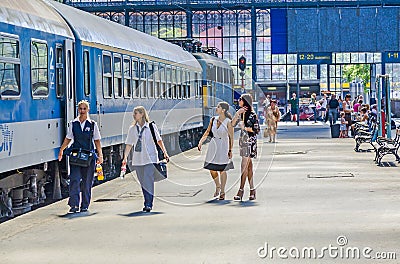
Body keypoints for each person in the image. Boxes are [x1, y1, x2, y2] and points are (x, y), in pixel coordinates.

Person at [58, 100, 103, 213]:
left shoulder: (92, 124)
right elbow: (68, 138)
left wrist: (100, 155)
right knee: (75, 180)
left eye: (84, 109)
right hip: (76, 157)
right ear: (77, 110)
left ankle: (85, 205)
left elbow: (97, 141)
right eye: (80, 109)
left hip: (89, 157)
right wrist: (62, 150)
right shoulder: (73, 124)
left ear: (88, 110)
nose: (82, 111)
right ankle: (74, 204)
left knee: (87, 182)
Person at [122, 106, 169, 212]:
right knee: (143, 182)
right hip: (138, 159)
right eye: (134, 113)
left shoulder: (151, 127)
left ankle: (148, 204)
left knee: (148, 180)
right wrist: (125, 157)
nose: (134, 115)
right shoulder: (132, 129)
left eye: (136, 113)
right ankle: (146, 200)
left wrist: (165, 153)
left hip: (150, 158)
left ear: (142, 114)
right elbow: (129, 144)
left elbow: (159, 140)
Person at [197, 102, 234, 200]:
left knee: (222, 169)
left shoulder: (228, 121)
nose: (216, 108)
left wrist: (230, 150)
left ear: (223, 110)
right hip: (213, 145)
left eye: (218, 107)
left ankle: (222, 191)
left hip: (223, 146)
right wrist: (201, 141)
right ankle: (218, 185)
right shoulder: (213, 119)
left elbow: (231, 137)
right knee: (212, 169)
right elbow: (207, 132)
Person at [231, 94, 260, 201]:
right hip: (243, 142)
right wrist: (237, 113)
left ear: (245, 101)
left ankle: (241, 190)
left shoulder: (253, 115)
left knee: (244, 166)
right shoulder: (241, 114)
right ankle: (252, 190)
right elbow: (232, 124)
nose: (238, 101)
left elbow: (256, 130)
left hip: (250, 142)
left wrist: (245, 128)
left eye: (240, 99)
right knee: (249, 167)